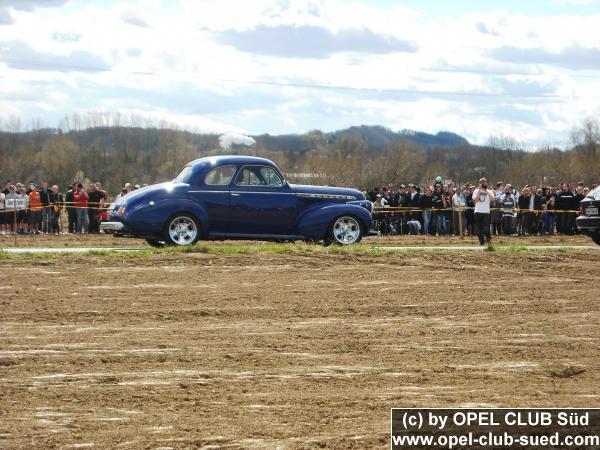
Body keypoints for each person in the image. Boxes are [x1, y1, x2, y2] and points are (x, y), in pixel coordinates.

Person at [472, 177, 494, 245]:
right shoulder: (476, 191)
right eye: (481, 183)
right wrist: (479, 189)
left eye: (484, 182)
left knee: (486, 227)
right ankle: (482, 242)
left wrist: (486, 190)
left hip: (486, 212)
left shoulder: (490, 191)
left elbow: (493, 199)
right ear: (479, 184)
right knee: (478, 229)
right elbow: (476, 200)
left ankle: (489, 240)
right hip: (478, 211)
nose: (483, 184)